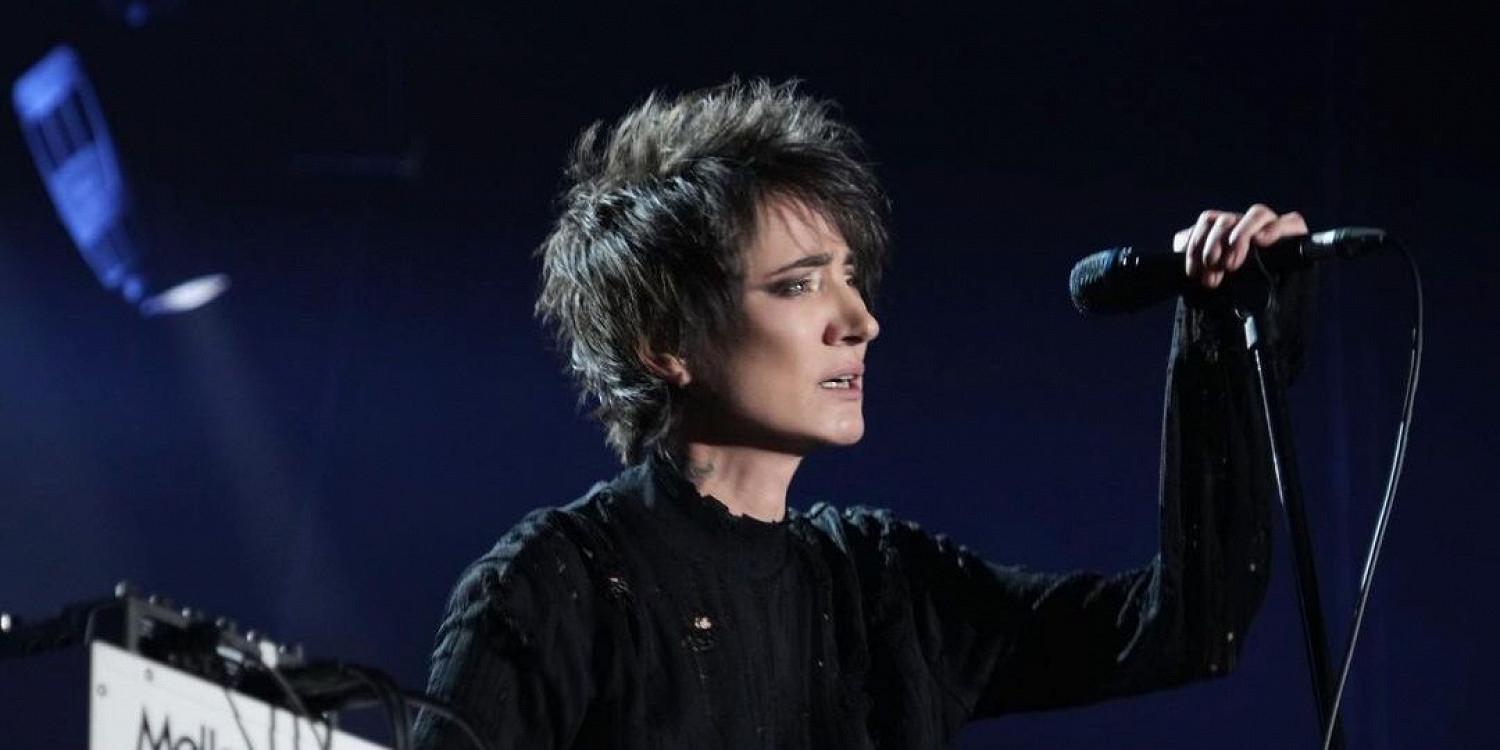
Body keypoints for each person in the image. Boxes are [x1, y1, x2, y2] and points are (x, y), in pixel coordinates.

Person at [412, 79, 1314, 749]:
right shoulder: (554, 588)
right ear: (666, 342)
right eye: (797, 285)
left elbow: (1188, 628)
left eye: (849, 277)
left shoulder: (881, 586)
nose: (860, 321)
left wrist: (1222, 330)